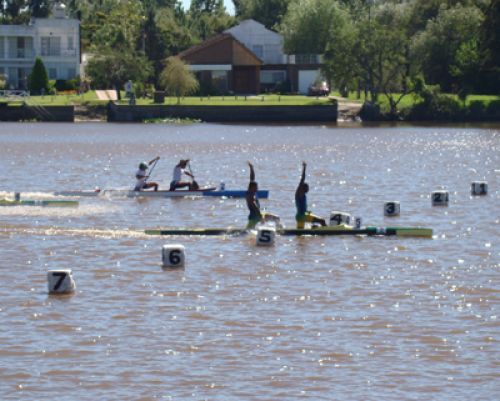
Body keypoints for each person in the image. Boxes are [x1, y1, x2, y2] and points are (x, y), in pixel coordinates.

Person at [246, 161, 280, 229]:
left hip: (259, 215)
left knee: (277, 218)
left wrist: (251, 168)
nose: (257, 188)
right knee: (248, 231)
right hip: (254, 217)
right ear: (252, 187)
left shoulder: (252, 192)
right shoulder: (250, 195)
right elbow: (253, 204)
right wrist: (261, 217)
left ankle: (279, 231)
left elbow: (252, 179)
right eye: (256, 187)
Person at [295, 162, 326, 229]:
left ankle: (314, 228)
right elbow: (302, 179)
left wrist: (307, 211)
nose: (308, 189)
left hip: (300, 217)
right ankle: (326, 232)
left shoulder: (303, 195)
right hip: (302, 216)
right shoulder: (299, 193)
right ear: (303, 188)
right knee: (322, 221)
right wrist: (304, 168)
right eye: (307, 188)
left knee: (299, 235)